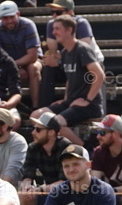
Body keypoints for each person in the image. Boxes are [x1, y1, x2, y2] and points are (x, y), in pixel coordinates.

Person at [40, 14, 105, 146]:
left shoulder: (82, 49)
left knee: (55, 123)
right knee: (37, 116)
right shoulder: (65, 52)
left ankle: (84, 150)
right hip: (72, 101)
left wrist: (87, 100)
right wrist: (65, 98)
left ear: (69, 30)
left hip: (89, 105)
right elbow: (70, 78)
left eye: (57, 29)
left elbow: (99, 75)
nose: (53, 32)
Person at [42, 0, 103, 105]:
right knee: (48, 67)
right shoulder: (52, 24)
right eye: (52, 12)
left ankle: (85, 104)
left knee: (75, 69)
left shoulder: (81, 23)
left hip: (87, 65)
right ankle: (45, 107)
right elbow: (53, 52)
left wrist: (59, 61)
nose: (54, 15)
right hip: (68, 63)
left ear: (70, 12)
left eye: (58, 12)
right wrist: (57, 60)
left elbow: (83, 50)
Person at [19, 111, 70, 205]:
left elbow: (65, 182)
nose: (33, 133)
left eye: (38, 129)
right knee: (22, 198)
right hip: (47, 194)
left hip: (69, 195)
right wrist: (27, 188)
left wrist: (39, 190)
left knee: (60, 203)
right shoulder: (33, 148)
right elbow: (27, 175)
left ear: (51, 132)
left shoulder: (66, 147)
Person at [0, 0, 43, 108]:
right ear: (0, 18)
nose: (9, 21)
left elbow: (33, 56)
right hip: (10, 63)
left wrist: (15, 65)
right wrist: (16, 67)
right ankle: (10, 107)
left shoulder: (28, 25)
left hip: (32, 60)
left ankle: (36, 107)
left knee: (33, 68)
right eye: (5, 18)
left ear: (18, 14)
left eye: (12, 17)